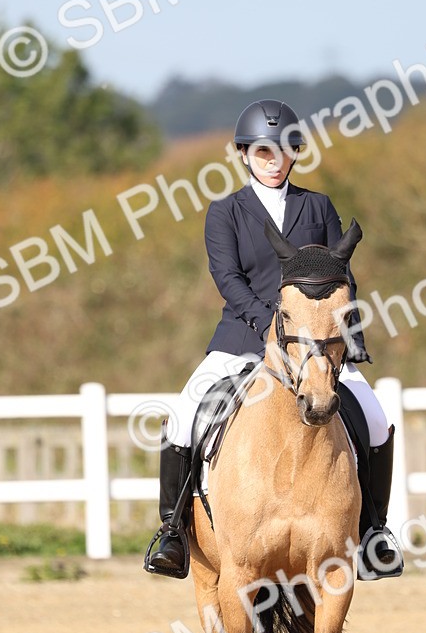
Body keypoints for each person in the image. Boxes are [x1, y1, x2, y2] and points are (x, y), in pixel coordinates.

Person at [144, 98, 404, 581]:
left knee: (375, 417)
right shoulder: (226, 213)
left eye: (283, 149)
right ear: (244, 153)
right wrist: (274, 328)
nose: (273, 158)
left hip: (317, 346)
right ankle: (174, 533)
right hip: (241, 341)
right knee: (181, 417)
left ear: (294, 154)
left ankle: (374, 532)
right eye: (262, 150)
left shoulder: (317, 207)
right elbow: (228, 279)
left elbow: (340, 276)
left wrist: (349, 337)